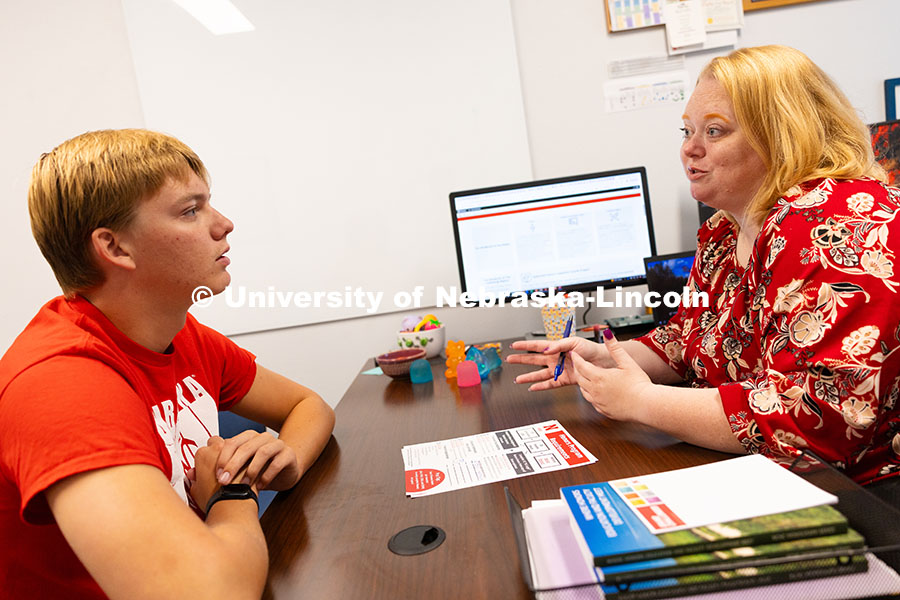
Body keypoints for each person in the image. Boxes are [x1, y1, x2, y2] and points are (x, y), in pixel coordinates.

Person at [509, 46, 900, 496]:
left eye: (714, 131)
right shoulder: (723, 228)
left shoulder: (836, 227)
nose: (688, 149)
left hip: (861, 492)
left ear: (783, 135)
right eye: (687, 130)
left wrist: (642, 401)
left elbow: (817, 419)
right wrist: (604, 358)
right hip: (762, 470)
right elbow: (687, 340)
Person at [0, 129, 336, 599]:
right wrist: (234, 493)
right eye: (190, 210)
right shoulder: (60, 382)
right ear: (115, 248)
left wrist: (285, 461)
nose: (224, 224)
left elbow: (309, 405)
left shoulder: (180, 333)